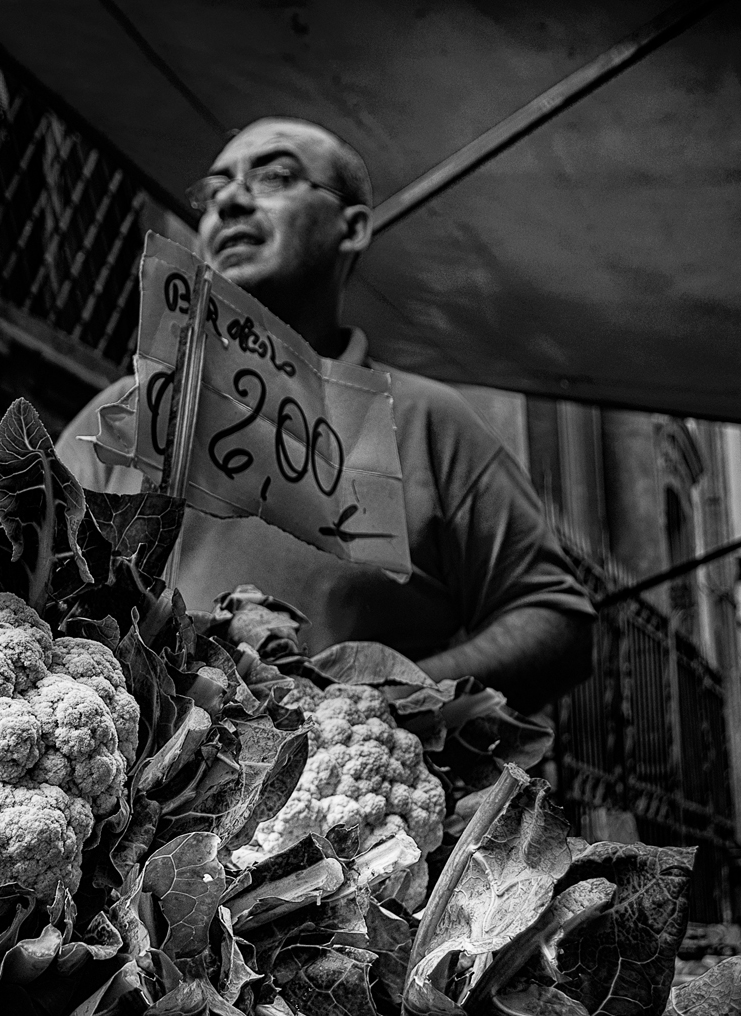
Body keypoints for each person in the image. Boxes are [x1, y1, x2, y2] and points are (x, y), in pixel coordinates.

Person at [54, 118, 594, 711]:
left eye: (275, 176)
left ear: (353, 226)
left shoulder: (426, 420)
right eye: (214, 191)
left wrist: (371, 706)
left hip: (335, 791)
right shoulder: (119, 413)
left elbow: (555, 620)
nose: (230, 201)